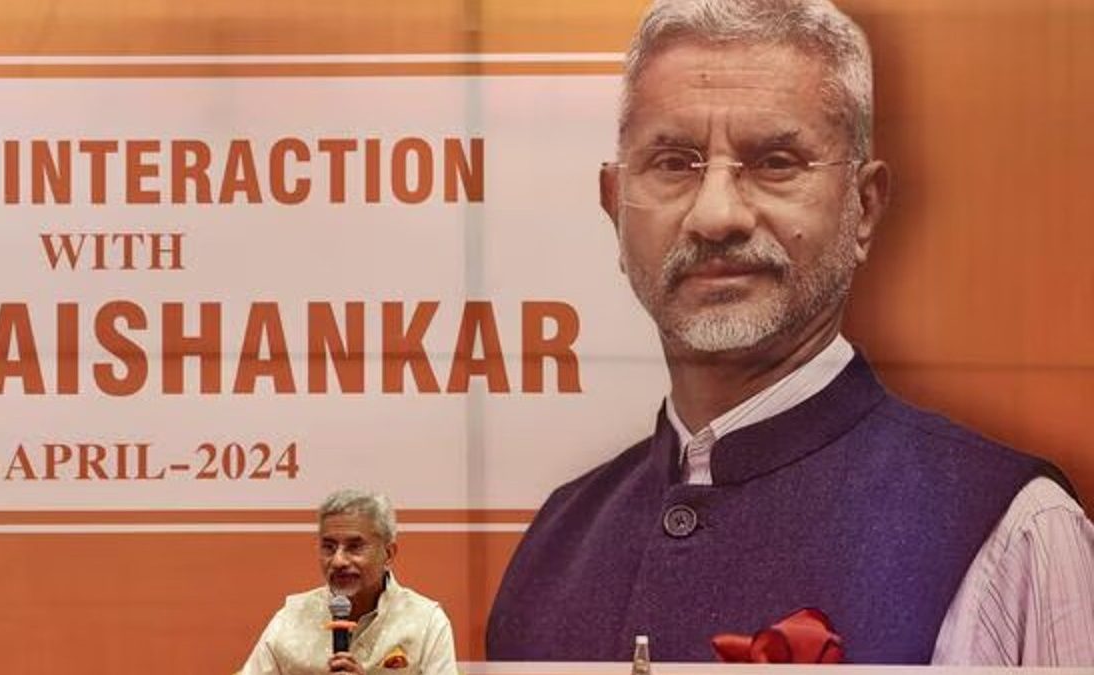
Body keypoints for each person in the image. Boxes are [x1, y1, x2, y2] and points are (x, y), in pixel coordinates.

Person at [486, 0, 1094, 665]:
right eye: (674, 162)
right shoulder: (555, 543)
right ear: (615, 205)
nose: (716, 214)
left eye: (775, 160)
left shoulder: (1011, 532)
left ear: (864, 208)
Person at [241, 489, 458, 675]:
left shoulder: (425, 621)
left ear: (388, 554)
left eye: (355, 547)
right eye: (329, 547)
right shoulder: (292, 616)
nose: (338, 560)